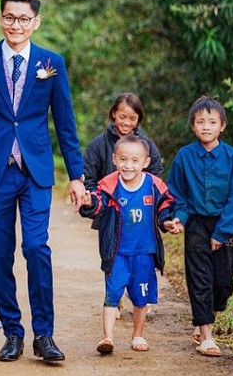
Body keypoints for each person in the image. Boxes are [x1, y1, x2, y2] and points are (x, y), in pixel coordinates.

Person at [0, 0, 85, 363]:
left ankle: (44, 335)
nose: (16, 25)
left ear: (36, 22)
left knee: (36, 247)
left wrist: (76, 175)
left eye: (24, 18)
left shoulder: (51, 63)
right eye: (10, 17)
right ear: (1, 19)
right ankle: (13, 332)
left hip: (35, 172)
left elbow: (65, 124)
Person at [166, 96, 233, 357]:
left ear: (222, 126)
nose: (206, 126)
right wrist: (179, 217)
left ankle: (209, 315)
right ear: (193, 126)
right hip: (196, 224)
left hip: (225, 223)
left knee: (223, 281)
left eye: (212, 122)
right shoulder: (185, 156)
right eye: (200, 122)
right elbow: (177, 192)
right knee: (200, 278)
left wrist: (222, 232)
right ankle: (206, 336)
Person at [79, 135, 176, 354]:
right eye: (123, 159)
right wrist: (89, 202)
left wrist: (167, 221)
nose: (128, 165)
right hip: (117, 253)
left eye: (134, 160)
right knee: (112, 294)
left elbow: (165, 206)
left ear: (146, 162)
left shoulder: (154, 184)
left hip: (144, 253)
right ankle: (107, 337)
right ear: (114, 159)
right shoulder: (109, 185)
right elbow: (99, 204)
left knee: (141, 299)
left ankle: (138, 335)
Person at [84, 92, 163, 318]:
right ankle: (114, 298)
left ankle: (139, 293)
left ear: (139, 120)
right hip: (110, 214)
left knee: (142, 254)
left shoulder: (146, 145)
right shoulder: (98, 145)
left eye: (132, 118)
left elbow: (156, 175)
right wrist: (95, 201)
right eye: (122, 117)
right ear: (113, 115)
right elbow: (90, 178)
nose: (126, 123)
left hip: (141, 215)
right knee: (111, 254)